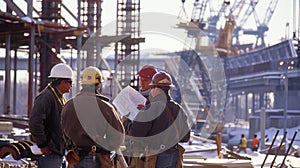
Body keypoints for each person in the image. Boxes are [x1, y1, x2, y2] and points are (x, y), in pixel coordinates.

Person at [61, 66, 125, 168]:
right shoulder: (105, 107)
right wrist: (104, 146)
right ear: (98, 84)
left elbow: (64, 133)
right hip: (97, 159)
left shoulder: (68, 106)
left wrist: (71, 145)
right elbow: (118, 137)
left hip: (74, 157)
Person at [124, 71, 191, 168]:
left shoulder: (151, 108)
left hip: (156, 157)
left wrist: (126, 122)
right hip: (174, 156)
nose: (151, 91)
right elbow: (185, 138)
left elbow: (136, 134)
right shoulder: (178, 109)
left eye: (152, 88)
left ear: (156, 89)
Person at [29, 63, 73, 168]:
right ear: (62, 82)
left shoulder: (58, 97)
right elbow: (35, 123)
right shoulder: (46, 97)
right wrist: (43, 145)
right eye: (70, 82)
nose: (71, 85)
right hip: (50, 153)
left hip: (58, 152)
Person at [122, 64, 158, 167]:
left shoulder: (154, 101)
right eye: (140, 79)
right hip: (133, 147)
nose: (141, 82)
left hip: (143, 150)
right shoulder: (137, 97)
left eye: (145, 80)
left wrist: (126, 122)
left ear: (152, 81)